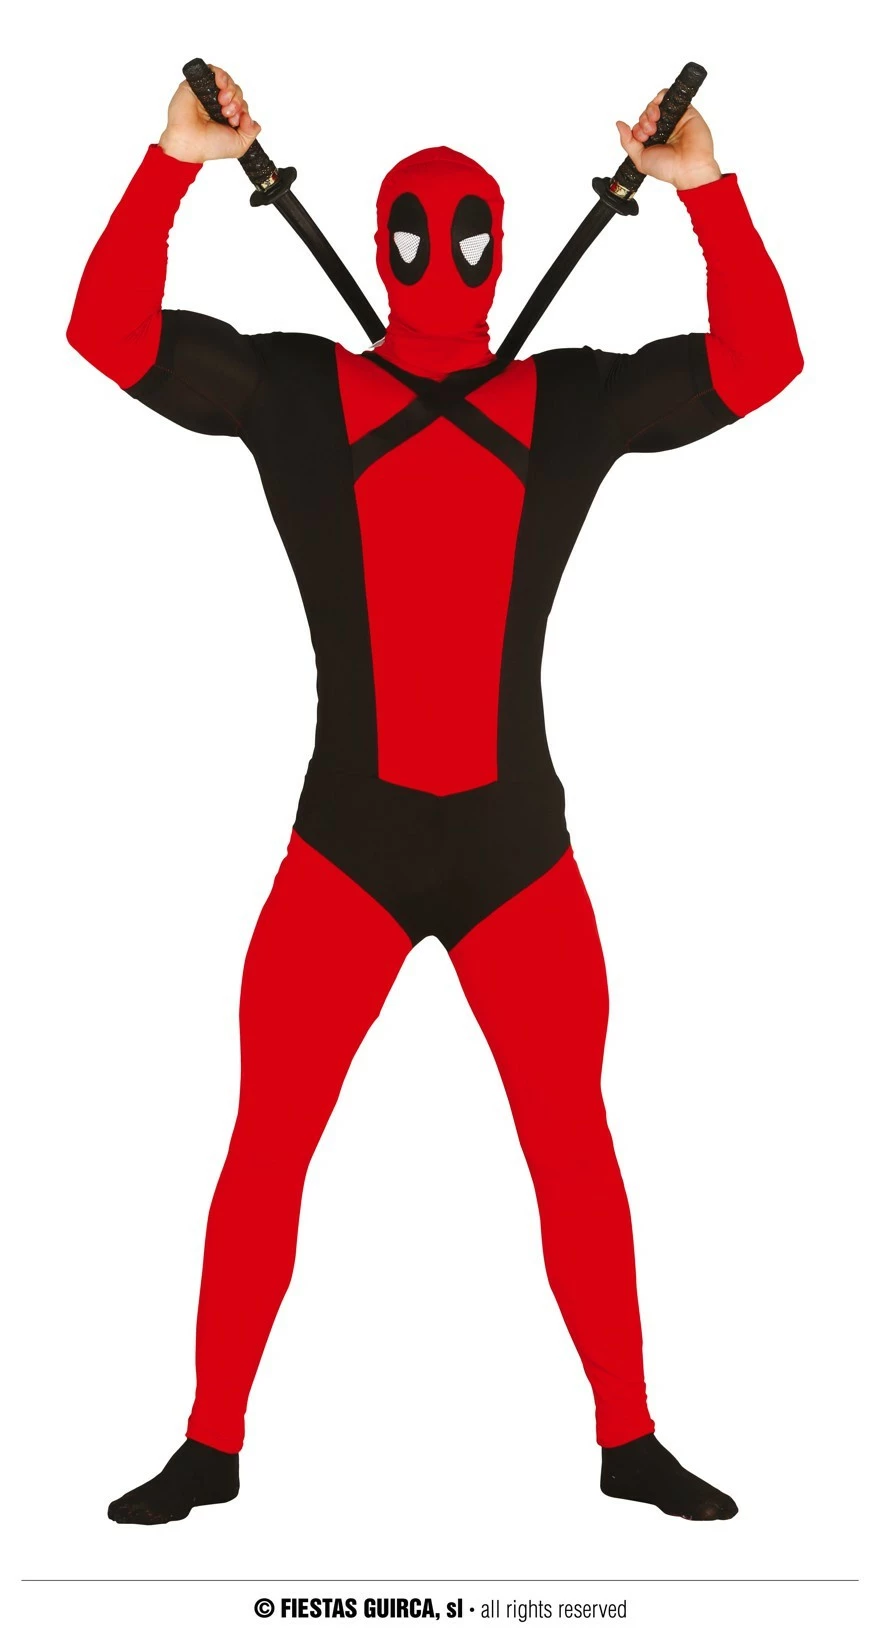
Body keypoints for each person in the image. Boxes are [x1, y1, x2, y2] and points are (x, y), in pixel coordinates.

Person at [67, 63, 803, 1526]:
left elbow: (761, 365)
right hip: (353, 848)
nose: (440, 256)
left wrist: (710, 189)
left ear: (503, 245)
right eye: (417, 231)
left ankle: (629, 1438)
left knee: (569, 1145)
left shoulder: (552, 400)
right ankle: (211, 1444)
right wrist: (170, 162)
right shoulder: (312, 392)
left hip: (510, 853)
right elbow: (107, 336)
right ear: (384, 239)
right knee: (271, 1141)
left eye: (464, 234)